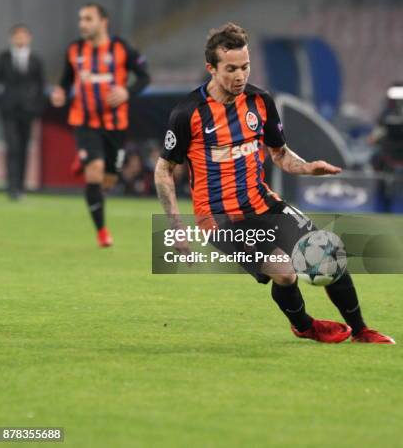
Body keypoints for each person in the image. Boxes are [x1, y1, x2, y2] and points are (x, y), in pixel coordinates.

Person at [154, 22, 394, 344]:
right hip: (220, 218)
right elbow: (164, 169)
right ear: (210, 68)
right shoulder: (188, 113)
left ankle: (361, 330)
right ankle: (305, 325)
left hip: (263, 203)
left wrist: (307, 168)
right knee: (284, 272)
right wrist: (175, 224)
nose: (240, 76)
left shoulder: (259, 101)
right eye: (230, 69)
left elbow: (278, 153)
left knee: (327, 254)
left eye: (245, 66)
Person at [51, 3, 150, 247]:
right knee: (94, 170)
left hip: (115, 125)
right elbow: (65, 80)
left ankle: (86, 161)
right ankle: (102, 232)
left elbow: (145, 76)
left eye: (88, 18)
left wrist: (127, 92)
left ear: (103, 22)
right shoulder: (74, 50)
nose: (82, 23)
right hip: (84, 122)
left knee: (109, 179)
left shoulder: (121, 48)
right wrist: (60, 92)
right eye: (80, 19)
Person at [0, 24, 44, 199]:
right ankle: (12, 187)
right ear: (12, 38)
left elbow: (40, 86)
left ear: (29, 38)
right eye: (17, 36)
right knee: (12, 147)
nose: (20, 39)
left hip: (28, 111)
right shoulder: (4, 58)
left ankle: (21, 186)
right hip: (8, 111)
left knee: (24, 147)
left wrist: (37, 108)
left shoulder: (35, 60)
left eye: (23, 35)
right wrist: (1, 104)